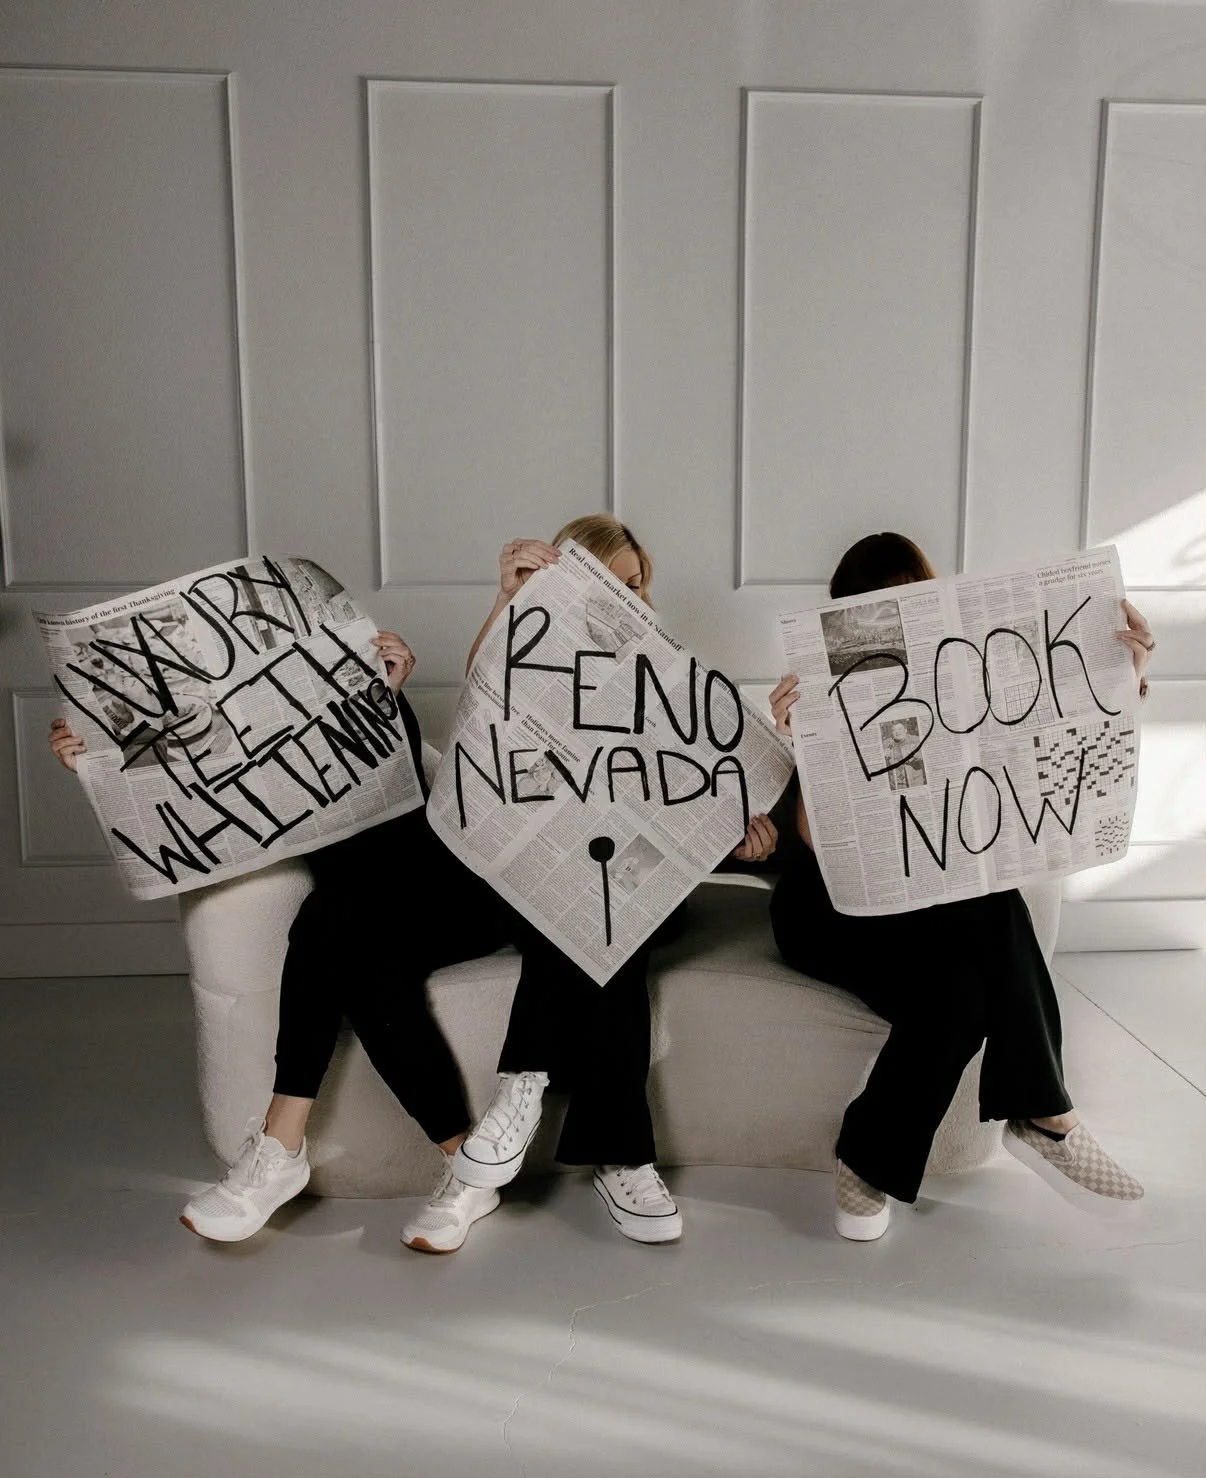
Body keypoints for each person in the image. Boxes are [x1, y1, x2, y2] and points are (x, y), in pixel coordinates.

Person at [50, 630, 514, 1254]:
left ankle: (280, 1146)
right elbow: (179, 811)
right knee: (354, 945)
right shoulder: (226, 748)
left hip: (463, 892)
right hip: (370, 916)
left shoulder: (373, 701)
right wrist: (98, 763)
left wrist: (387, 694)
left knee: (334, 915)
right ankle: (466, 1167)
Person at [768, 532, 1153, 1241]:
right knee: (984, 919)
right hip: (825, 909)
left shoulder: (959, 683)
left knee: (968, 980)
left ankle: (867, 1159)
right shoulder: (822, 691)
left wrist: (1120, 676)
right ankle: (1046, 1114)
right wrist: (805, 745)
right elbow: (817, 845)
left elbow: (1051, 752)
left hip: (920, 909)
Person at [448, 515, 779, 1243]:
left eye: (635, 585)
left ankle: (524, 1083)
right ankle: (617, 1154)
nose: (630, 597)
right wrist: (508, 602)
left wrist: (744, 841)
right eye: (611, 584)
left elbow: (697, 793)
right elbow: (481, 709)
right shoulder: (528, 651)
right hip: (548, 878)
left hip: (645, 879)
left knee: (614, 904)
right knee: (578, 904)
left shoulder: (665, 667)